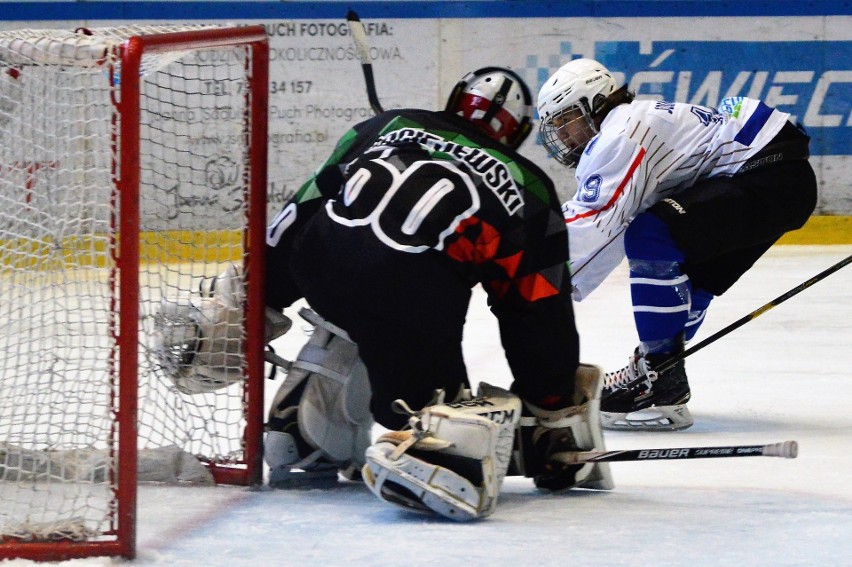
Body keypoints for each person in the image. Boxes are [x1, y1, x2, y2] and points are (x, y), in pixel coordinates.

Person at [158, 67, 613, 521]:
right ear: (522, 132)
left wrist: (255, 297)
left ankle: (305, 428)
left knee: (358, 297)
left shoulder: (385, 126)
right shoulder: (529, 185)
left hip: (318, 263)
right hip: (408, 305)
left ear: (454, 100)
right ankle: (425, 444)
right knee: (450, 426)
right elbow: (535, 312)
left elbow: (303, 209)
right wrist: (551, 404)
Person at [536, 58, 817, 432]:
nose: (565, 135)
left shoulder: (620, 132)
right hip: (782, 184)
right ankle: (657, 373)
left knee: (650, 235)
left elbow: (596, 218)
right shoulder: (638, 121)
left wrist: (529, 262)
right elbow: (611, 220)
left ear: (593, 102)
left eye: (565, 120)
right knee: (687, 275)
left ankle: (660, 376)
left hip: (764, 178)